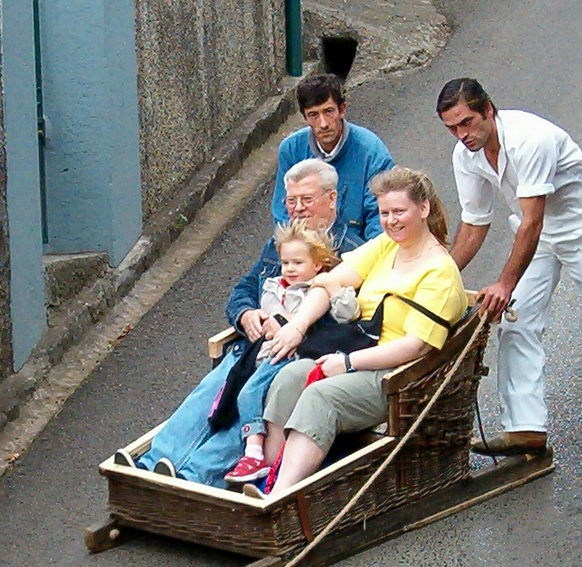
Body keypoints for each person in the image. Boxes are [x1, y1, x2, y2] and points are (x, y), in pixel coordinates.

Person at [436, 78, 582, 456]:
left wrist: (504, 282)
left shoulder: (529, 140)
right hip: (533, 232)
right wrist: (439, 275)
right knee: (516, 319)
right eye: (452, 128)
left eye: (467, 122)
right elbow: (474, 222)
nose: (462, 135)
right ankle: (525, 427)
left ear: (488, 109)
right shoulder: (465, 155)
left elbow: (533, 219)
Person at [113, 159, 364, 486]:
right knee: (207, 394)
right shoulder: (281, 243)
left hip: (294, 359)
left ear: (331, 199)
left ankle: (193, 477)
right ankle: (151, 465)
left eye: (307, 199)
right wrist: (247, 314)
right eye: (291, 200)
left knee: (248, 407)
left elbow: (350, 323)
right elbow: (243, 290)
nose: (298, 209)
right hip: (251, 347)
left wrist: (289, 325)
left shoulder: (353, 253)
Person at [243, 167, 468, 497]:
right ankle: (267, 475)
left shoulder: (439, 271)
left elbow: (416, 346)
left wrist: (347, 363)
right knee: (290, 376)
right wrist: (297, 326)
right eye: (384, 212)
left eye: (399, 212)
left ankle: (281, 496)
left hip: (396, 374)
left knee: (321, 396)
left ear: (424, 209)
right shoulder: (386, 246)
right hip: (358, 348)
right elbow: (328, 280)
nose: (391, 221)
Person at [220, 220, 359, 484]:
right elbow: (256, 310)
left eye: (298, 263)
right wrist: (256, 318)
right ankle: (239, 456)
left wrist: (330, 286)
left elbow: (348, 314)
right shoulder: (274, 286)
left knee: (250, 392)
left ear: (317, 264)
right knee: (235, 390)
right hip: (263, 354)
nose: (290, 269)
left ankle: (254, 455)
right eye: (285, 263)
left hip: (295, 355)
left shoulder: (320, 288)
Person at [271, 73, 395, 243]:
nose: (323, 123)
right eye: (313, 115)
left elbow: (381, 218)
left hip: (358, 251)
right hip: (307, 250)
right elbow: (283, 214)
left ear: (342, 109)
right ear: (305, 117)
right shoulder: (291, 150)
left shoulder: (373, 152)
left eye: (328, 112)